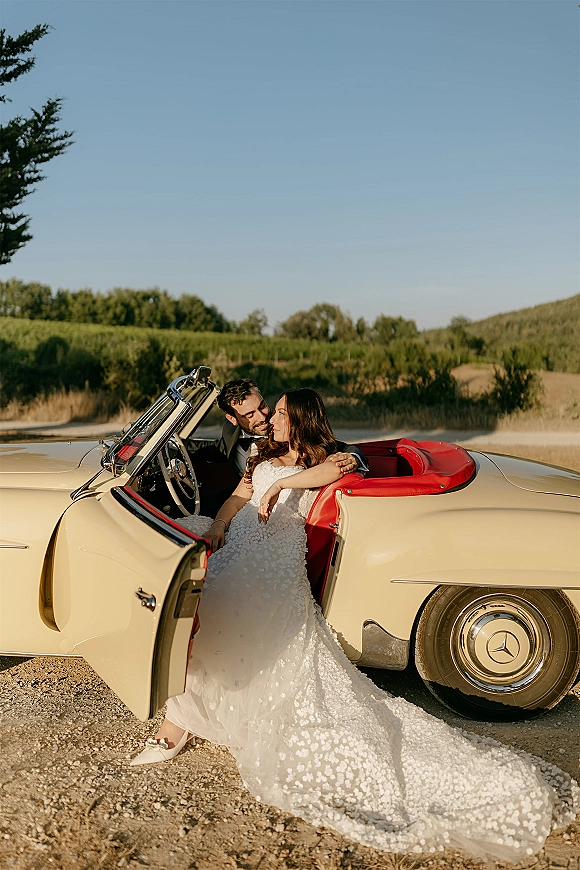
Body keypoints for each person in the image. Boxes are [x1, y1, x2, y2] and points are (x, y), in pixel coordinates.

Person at [130, 389, 579, 861]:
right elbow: (240, 495)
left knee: (223, 603)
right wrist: (221, 524)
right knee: (191, 579)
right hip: (242, 535)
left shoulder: (328, 455)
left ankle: (176, 724)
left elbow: (335, 469)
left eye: (278, 413)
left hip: (277, 550)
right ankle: (180, 712)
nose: (268, 421)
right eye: (268, 413)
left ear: (299, 420)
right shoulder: (263, 451)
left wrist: (282, 486)